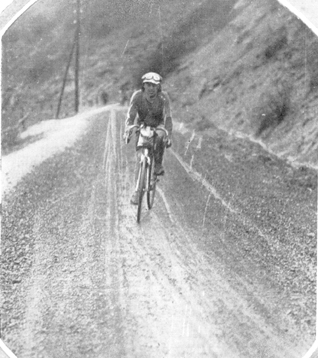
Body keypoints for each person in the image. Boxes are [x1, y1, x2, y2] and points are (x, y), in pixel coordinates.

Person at [124, 72, 173, 205]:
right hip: (143, 124)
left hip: (158, 125)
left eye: (154, 85)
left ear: (158, 87)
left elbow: (168, 116)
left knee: (159, 138)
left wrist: (168, 134)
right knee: (140, 158)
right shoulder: (137, 96)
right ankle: (137, 191)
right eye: (148, 85)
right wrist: (128, 130)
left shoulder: (163, 97)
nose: (151, 88)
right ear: (143, 85)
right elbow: (131, 115)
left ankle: (157, 165)